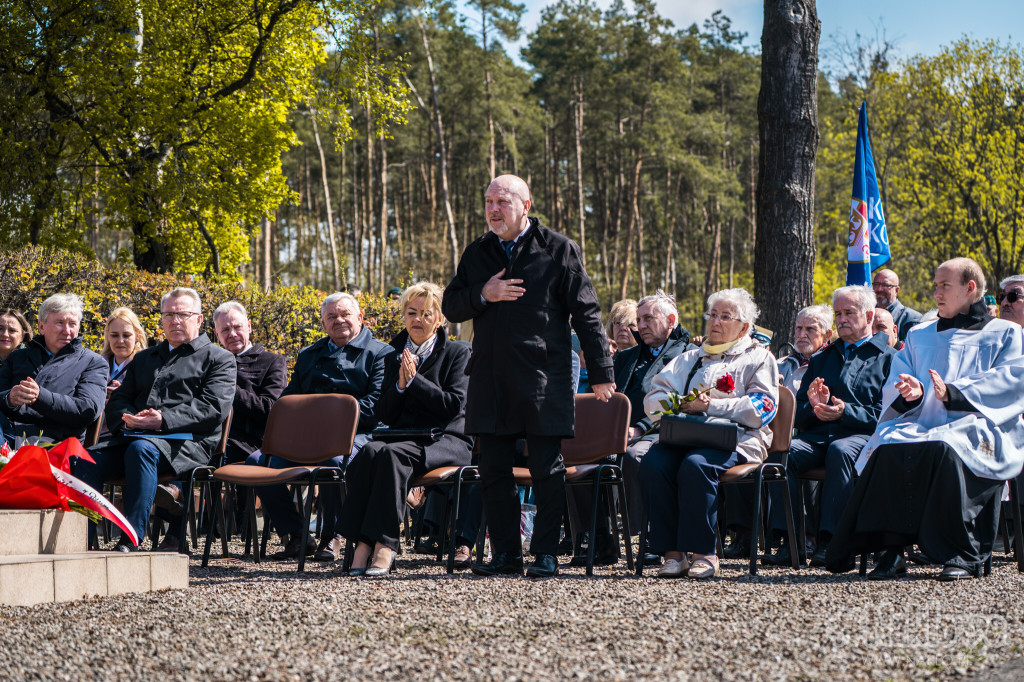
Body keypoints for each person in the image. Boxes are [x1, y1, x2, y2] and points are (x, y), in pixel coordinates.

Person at [442, 173, 614, 579]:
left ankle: (545, 553)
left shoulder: (558, 250)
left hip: (542, 378)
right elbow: (451, 306)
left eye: (502, 202)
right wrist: (484, 294)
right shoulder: (478, 252)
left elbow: (587, 314)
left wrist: (602, 371)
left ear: (525, 205)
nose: (493, 210)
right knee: (494, 470)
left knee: (546, 468)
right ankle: (505, 554)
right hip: (490, 378)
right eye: (488, 202)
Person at [827, 258, 1024, 581]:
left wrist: (954, 393)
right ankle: (890, 550)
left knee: (946, 445)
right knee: (888, 443)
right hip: (924, 420)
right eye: (935, 285)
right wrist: (914, 392)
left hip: (980, 422)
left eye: (944, 285)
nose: (936, 293)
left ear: (970, 288)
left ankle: (962, 553)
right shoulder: (920, 335)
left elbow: (1012, 381)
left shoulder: (1005, 333)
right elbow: (898, 383)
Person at [75, 287, 236, 552]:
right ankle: (82, 539)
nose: (175, 321)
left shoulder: (219, 359)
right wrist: (127, 420)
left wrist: (162, 420)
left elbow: (212, 407)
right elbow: (119, 400)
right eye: (168, 314)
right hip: (136, 437)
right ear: (161, 320)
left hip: (188, 444)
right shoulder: (144, 358)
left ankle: (131, 537)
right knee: (83, 459)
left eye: (183, 314)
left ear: (198, 319)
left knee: (141, 451)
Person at [639, 288, 779, 579]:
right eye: (712, 315)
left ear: (743, 326)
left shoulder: (758, 358)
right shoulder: (691, 357)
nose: (715, 322)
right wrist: (679, 406)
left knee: (696, 465)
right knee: (654, 461)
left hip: (738, 439)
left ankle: (705, 552)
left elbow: (763, 408)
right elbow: (653, 399)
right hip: (687, 436)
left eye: (725, 317)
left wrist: (712, 406)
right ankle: (672, 553)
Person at [339, 282, 473, 576]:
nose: (418, 320)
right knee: (369, 452)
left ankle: (384, 545)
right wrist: (400, 386)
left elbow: (453, 406)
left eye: (427, 314)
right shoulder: (392, 355)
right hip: (404, 438)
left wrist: (415, 382)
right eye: (411, 312)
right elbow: (383, 412)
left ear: (440, 319)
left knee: (389, 456)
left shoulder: (458, 353)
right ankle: (361, 543)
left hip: (447, 439)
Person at [250, 292, 393, 562]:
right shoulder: (309, 355)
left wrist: (328, 422)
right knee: (257, 461)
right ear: (323, 323)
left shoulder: (381, 353)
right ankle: (297, 533)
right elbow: (288, 400)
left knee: (332, 458)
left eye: (345, 314)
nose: (339, 320)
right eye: (331, 317)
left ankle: (333, 536)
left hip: (359, 435)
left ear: (360, 317)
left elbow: (376, 405)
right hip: (309, 438)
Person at [765, 286, 896, 567]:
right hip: (817, 437)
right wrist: (813, 406)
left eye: (849, 312)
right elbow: (797, 417)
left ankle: (833, 543)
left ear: (869, 315)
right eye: (838, 313)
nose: (842, 319)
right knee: (780, 455)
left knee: (840, 450)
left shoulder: (887, 358)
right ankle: (793, 540)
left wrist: (844, 412)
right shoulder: (822, 358)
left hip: (861, 438)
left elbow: (887, 415)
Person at [725, 304, 833, 559]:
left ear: (827, 335)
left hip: (806, 434)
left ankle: (803, 538)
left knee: (789, 453)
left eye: (810, 329)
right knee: (734, 448)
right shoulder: (777, 363)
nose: (802, 334)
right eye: (798, 328)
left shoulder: (827, 366)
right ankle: (744, 535)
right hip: (765, 433)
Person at [613, 291, 690, 539]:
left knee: (635, 457)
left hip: (664, 432)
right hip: (619, 433)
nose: (641, 325)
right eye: (639, 319)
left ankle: (647, 535)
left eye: (648, 318)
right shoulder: (626, 357)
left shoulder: (687, 356)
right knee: (580, 454)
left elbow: (682, 402)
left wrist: (640, 428)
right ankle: (596, 538)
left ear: (670, 320)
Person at [0, 294, 107, 447]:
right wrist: (8, 399)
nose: (67, 330)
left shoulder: (93, 362)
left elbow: (87, 409)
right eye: (60, 323)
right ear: (41, 327)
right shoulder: (18, 357)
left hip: (56, 444)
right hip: (9, 434)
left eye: (72, 324)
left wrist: (40, 397)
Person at [211, 301, 287, 465]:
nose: (232, 334)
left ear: (249, 327)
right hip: (210, 438)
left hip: (250, 443)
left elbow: (272, 409)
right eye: (225, 330)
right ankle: (174, 489)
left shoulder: (271, 361)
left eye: (237, 327)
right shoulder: (209, 363)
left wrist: (230, 389)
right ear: (217, 335)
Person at [101, 307, 148, 400]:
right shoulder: (96, 366)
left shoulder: (146, 368)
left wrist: (124, 393)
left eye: (126, 335)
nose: (120, 341)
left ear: (137, 336)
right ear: (107, 336)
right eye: (114, 335)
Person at [872, 269, 921, 341]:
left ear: (897, 290)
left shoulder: (912, 319)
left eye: (885, 285)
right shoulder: (866, 316)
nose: (879, 289)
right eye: (876, 284)